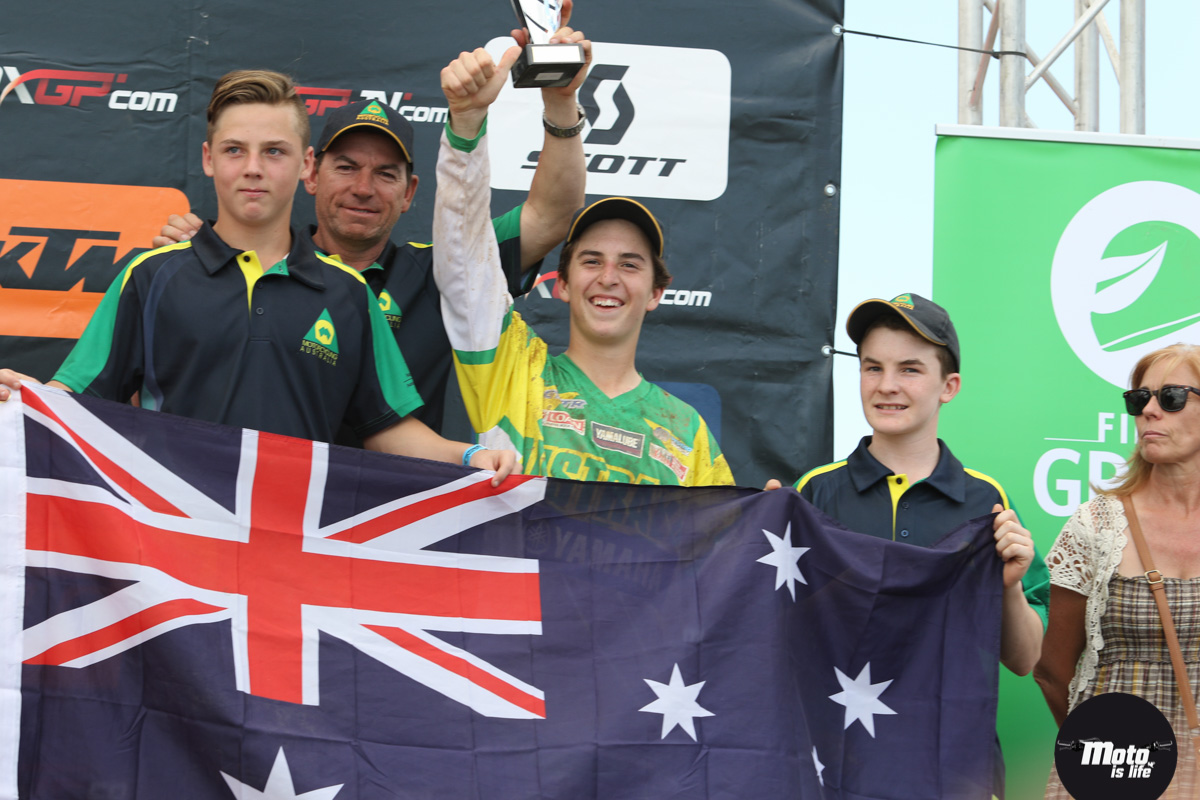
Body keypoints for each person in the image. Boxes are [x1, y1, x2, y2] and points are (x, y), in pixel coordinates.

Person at [0, 69, 515, 483]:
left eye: (273, 151)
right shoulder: (151, 275)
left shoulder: (348, 293)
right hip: (173, 545)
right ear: (208, 159)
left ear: (306, 165)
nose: (253, 168)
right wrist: (24, 399)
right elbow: (74, 401)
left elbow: (386, 428)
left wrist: (469, 456)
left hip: (295, 549)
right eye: (234, 150)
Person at [153, 8, 590, 434]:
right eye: (346, 168)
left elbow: (551, 215)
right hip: (268, 480)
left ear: (409, 193)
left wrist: (560, 100)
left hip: (396, 484)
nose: (363, 188)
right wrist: (191, 265)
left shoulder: (443, 273)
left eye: (385, 174)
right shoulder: (256, 272)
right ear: (311, 174)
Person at [771, 293, 1047, 797]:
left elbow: (1024, 658)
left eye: (910, 369)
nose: (887, 385)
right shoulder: (812, 493)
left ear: (949, 386)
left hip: (951, 768)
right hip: (835, 766)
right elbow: (772, 632)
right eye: (872, 367)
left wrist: (1008, 587)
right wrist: (759, 537)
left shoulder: (988, 502)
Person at [431, 44, 733, 485]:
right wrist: (466, 123)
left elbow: (725, 528)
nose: (608, 278)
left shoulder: (688, 433)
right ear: (564, 284)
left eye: (629, 265)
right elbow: (463, 262)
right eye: (592, 261)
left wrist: (764, 514)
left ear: (656, 293)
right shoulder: (516, 370)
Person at [1036, 343, 1200, 798]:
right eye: (1139, 398)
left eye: (1171, 397)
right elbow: (1052, 669)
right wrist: (1102, 750)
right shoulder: (1097, 525)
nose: (1149, 410)